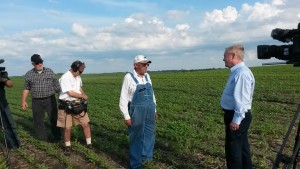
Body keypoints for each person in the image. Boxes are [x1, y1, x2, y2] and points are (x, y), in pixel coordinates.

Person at [119, 55, 157, 169]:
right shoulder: (129, 77)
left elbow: (152, 94)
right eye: (144, 64)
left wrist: (154, 109)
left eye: (147, 64)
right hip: (137, 111)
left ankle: (147, 159)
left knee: (150, 135)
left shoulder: (147, 76)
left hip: (149, 110)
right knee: (136, 137)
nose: (146, 66)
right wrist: (126, 116)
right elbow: (123, 98)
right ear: (136, 65)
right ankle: (136, 164)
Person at [220, 44, 255, 169]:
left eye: (225, 56)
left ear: (233, 56)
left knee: (233, 151)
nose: (223, 59)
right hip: (237, 116)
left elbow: (241, 100)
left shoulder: (242, 73)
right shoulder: (237, 72)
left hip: (237, 116)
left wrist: (236, 120)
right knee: (242, 148)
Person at [21, 54, 61, 142]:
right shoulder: (29, 74)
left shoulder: (49, 71)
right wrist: (23, 101)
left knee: (54, 118)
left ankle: (57, 137)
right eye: (37, 63)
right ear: (33, 64)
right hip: (36, 101)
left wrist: (61, 97)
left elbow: (57, 86)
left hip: (50, 99)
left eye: (41, 62)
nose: (39, 64)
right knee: (38, 120)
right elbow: (26, 88)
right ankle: (42, 139)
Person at [56, 60, 92, 155]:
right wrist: (82, 96)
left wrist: (83, 94)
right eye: (80, 71)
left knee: (85, 124)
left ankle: (89, 143)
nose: (81, 73)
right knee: (67, 128)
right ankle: (67, 146)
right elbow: (70, 93)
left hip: (77, 104)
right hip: (66, 105)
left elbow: (79, 88)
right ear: (74, 69)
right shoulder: (65, 77)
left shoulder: (78, 77)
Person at [0, 69, 21, 149]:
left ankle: (14, 144)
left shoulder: (2, 73)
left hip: (2, 103)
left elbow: (10, 84)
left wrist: (3, 80)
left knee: (9, 123)